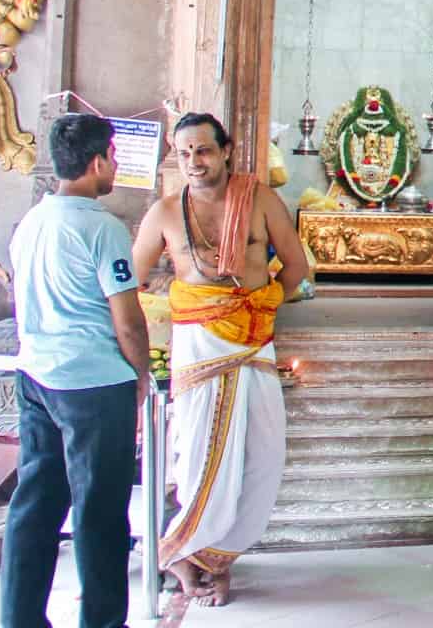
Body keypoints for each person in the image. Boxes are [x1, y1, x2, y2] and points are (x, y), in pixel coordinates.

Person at [131, 112, 309, 606]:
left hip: (253, 339)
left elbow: (296, 265)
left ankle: (221, 557)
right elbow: (134, 277)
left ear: (227, 150)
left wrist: (261, 303)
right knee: (199, 456)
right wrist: (191, 301)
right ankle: (187, 554)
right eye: (184, 153)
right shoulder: (165, 212)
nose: (194, 161)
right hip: (198, 342)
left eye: (203, 150)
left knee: (260, 454)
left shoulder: (260, 200)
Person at [2, 113, 149, 628]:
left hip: (37, 377)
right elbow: (127, 320)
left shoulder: (32, 223)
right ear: (96, 162)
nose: (116, 164)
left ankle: (19, 619)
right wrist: (140, 377)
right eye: (113, 154)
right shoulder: (102, 227)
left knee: (36, 503)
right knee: (100, 512)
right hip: (93, 383)